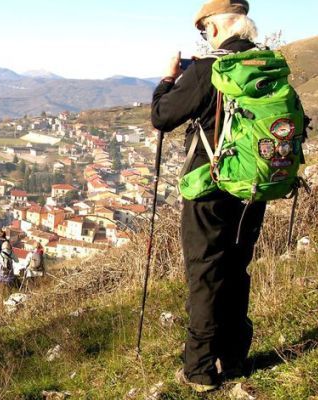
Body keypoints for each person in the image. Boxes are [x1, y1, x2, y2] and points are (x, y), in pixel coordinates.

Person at [151, 0, 271, 392]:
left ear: (214, 30)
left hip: (210, 187)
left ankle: (200, 368)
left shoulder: (208, 69)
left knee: (205, 274)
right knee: (237, 268)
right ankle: (234, 358)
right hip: (253, 187)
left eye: (204, 32)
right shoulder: (268, 65)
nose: (204, 38)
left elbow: (163, 117)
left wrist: (168, 80)